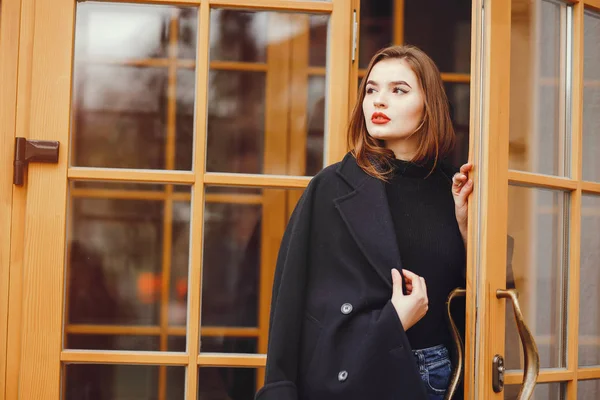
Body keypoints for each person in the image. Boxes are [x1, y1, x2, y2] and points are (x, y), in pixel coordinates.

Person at [255, 45, 473, 400]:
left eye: (398, 90)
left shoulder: (454, 190)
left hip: (438, 378)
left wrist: (466, 230)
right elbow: (291, 303)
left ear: (428, 105)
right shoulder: (331, 187)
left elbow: (490, 300)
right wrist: (393, 322)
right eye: (371, 89)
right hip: (353, 379)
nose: (378, 101)